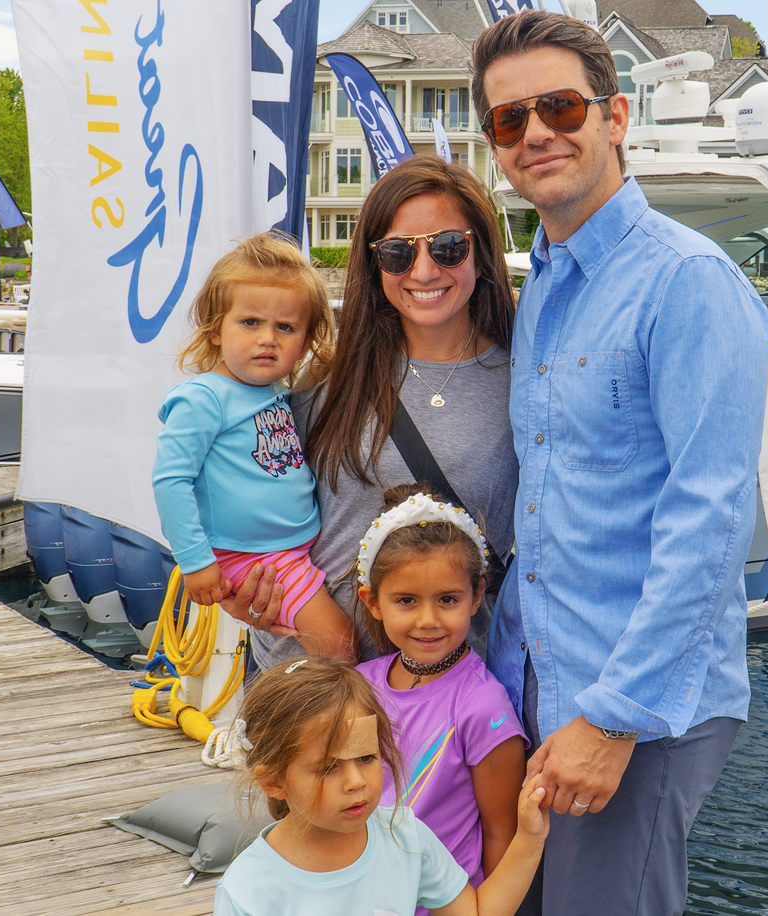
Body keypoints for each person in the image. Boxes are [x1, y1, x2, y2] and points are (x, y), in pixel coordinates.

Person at [471, 11, 768, 915]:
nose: (535, 134)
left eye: (559, 107)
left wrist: (613, 718)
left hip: (630, 704)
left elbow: (712, 522)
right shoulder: (548, 288)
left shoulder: (688, 282)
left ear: (617, 116)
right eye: (508, 120)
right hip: (533, 676)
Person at [224, 156, 519, 670]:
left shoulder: (527, 382)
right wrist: (239, 580)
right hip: (311, 685)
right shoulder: (324, 381)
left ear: (482, 250)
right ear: (373, 261)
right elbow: (242, 487)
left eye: (449, 246)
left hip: (441, 699)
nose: (424, 271)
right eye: (398, 253)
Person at [151, 233, 355, 661]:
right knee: (342, 647)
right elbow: (170, 480)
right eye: (250, 323)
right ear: (214, 331)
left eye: (285, 327)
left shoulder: (275, 392)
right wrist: (194, 561)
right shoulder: (204, 398)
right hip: (258, 558)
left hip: (290, 549)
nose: (268, 338)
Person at [215, 656, 547, 916]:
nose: (356, 782)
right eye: (328, 768)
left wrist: (529, 839)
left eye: (366, 758)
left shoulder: (404, 835)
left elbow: (477, 911)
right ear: (273, 782)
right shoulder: (248, 889)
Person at [355, 484, 528, 905]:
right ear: (373, 602)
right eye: (407, 601)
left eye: (447, 599)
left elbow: (501, 834)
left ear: (475, 597)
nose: (428, 620)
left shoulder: (483, 707)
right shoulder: (361, 685)